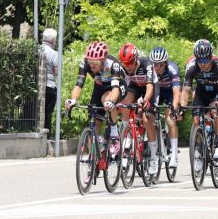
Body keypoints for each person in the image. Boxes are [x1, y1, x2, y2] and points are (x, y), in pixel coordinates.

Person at [65, 42, 127, 178]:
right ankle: (93, 161)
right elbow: (79, 85)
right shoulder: (85, 62)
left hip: (117, 87)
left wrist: (111, 102)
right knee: (93, 119)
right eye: (90, 63)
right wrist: (73, 100)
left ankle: (115, 135)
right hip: (99, 87)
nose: (91, 66)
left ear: (103, 59)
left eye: (95, 64)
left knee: (107, 100)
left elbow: (115, 88)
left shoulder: (112, 64)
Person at [181, 40, 218, 161]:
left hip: (216, 93)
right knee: (196, 120)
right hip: (201, 93)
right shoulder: (192, 67)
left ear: (211, 58)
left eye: (205, 60)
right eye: (200, 60)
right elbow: (186, 90)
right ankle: (198, 150)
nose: (202, 64)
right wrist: (181, 108)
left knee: (215, 113)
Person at [118, 43, 159, 174]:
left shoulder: (147, 64)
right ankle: (126, 132)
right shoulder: (122, 68)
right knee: (125, 102)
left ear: (136, 59)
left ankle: (153, 157)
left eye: (130, 63)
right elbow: (122, 88)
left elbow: (150, 87)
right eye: (124, 64)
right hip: (135, 87)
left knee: (147, 119)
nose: (127, 67)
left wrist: (144, 102)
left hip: (150, 88)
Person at [149, 46, 181, 168]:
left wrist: (173, 108)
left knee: (170, 119)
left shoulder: (172, 69)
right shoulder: (150, 70)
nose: (157, 68)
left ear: (166, 63)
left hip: (169, 94)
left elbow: (177, 91)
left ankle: (173, 154)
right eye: (155, 65)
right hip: (156, 92)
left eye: (160, 65)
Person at [40, 28, 58, 138]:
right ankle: (48, 134)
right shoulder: (54, 53)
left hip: (38, 85)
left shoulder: (37, 49)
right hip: (50, 86)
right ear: (53, 40)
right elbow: (56, 72)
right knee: (48, 112)